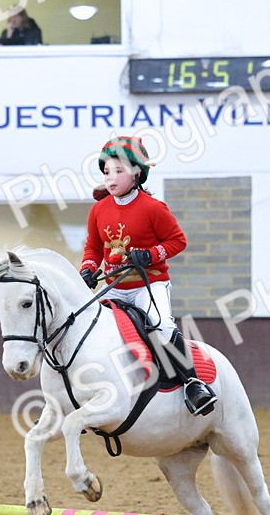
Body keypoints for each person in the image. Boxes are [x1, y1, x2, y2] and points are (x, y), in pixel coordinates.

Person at [80, 136, 217, 416]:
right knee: (86, 325)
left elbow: (178, 241)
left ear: (137, 173)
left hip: (149, 283)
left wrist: (151, 255)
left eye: (119, 171)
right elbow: (93, 247)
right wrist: (88, 268)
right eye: (106, 172)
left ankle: (193, 383)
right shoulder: (98, 209)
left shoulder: (154, 208)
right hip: (114, 286)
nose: (111, 177)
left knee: (161, 325)